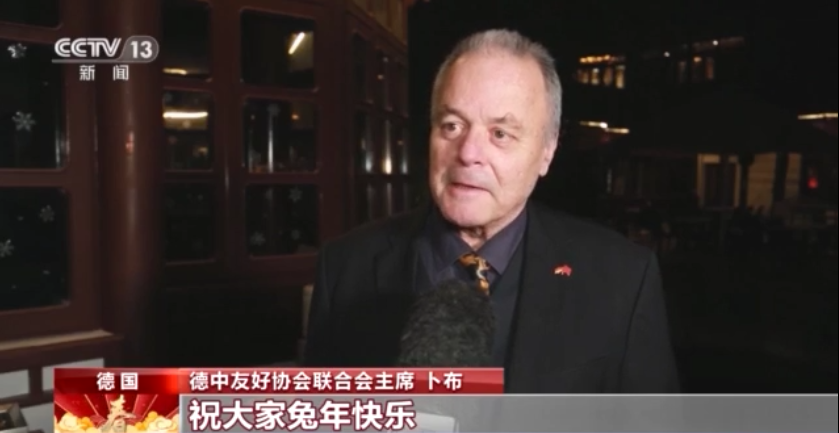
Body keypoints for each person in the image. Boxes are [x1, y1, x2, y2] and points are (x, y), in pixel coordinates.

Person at [305, 29, 679, 392]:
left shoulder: (622, 280)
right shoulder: (344, 268)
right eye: (452, 126)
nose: (468, 153)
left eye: (500, 134)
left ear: (547, 151)